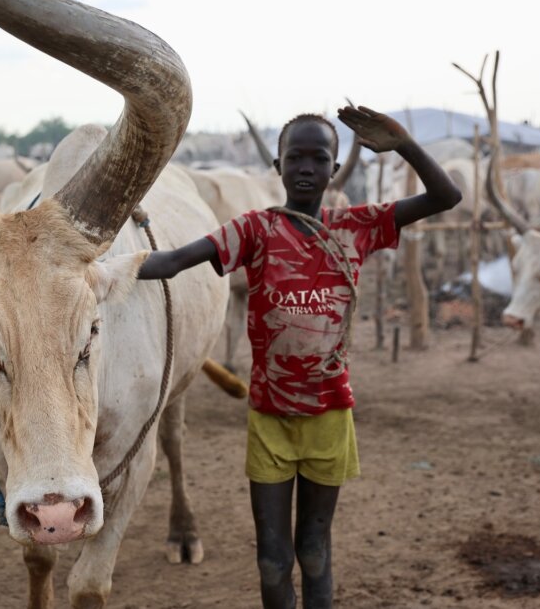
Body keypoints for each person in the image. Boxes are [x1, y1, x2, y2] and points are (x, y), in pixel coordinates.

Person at [137, 105, 462, 608]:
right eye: (296, 158)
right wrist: (100, 265)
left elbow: (447, 196)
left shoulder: (357, 227)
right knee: (271, 558)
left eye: (319, 158)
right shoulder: (254, 230)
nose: (306, 168)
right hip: (270, 419)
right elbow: (176, 260)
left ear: (334, 170)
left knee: (314, 552)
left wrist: (403, 144)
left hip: (331, 416)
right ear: (278, 167)